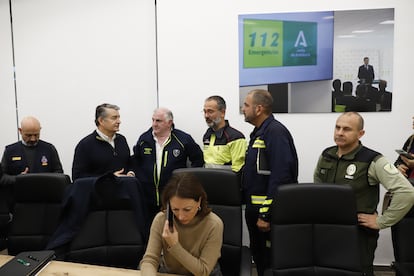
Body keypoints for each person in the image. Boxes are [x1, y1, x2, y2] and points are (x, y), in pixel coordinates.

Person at [314, 112, 414, 276]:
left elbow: (406, 192)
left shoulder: (372, 160)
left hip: (358, 235)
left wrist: (382, 221)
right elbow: (318, 188)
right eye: (337, 127)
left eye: (347, 129)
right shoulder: (327, 155)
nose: (339, 132)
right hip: (328, 230)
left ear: (361, 134)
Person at [241, 89, 299, 276]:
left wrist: (266, 215)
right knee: (259, 258)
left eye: (246, 105)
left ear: (259, 109)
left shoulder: (275, 132)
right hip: (255, 212)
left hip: (267, 216)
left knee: (271, 262)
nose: (243, 109)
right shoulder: (259, 132)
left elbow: (282, 176)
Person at [139, 172, 223, 276]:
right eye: (175, 209)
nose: (180, 216)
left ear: (199, 201)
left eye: (187, 209)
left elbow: (203, 271)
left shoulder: (214, 224)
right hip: (170, 273)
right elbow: (150, 260)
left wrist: (174, 245)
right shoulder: (161, 219)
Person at [133, 107, 204, 222]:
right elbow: (135, 160)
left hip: (174, 197)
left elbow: (198, 160)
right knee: (149, 232)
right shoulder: (144, 139)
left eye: (158, 121)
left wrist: (187, 181)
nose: (154, 124)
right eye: (153, 120)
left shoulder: (183, 139)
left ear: (169, 123)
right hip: (147, 197)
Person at [72, 103, 134, 181]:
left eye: (119, 117)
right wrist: (108, 178)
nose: (119, 121)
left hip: (124, 190)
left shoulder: (121, 140)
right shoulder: (85, 145)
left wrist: (131, 172)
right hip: (99, 191)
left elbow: (129, 163)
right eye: (114, 118)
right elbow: (78, 177)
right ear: (101, 120)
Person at [1, 116, 63, 187]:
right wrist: (18, 179)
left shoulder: (49, 149)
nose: (33, 139)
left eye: (36, 135)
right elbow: (2, 177)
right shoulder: (10, 151)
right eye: (29, 135)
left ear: (40, 130)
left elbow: (59, 174)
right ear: (20, 131)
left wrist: (45, 179)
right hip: (19, 194)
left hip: (45, 194)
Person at [202, 95, 246, 172]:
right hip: (208, 181)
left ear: (222, 112)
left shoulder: (235, 137)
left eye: (210, 111)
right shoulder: (207, 135)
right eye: (205, 111)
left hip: (228, 182)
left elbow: (239, 169)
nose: (206, 116)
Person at [395, 116, 414, 180]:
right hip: (407, 183)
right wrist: (399, 166)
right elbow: (398, 161)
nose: (413, 117)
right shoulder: (411, 139)